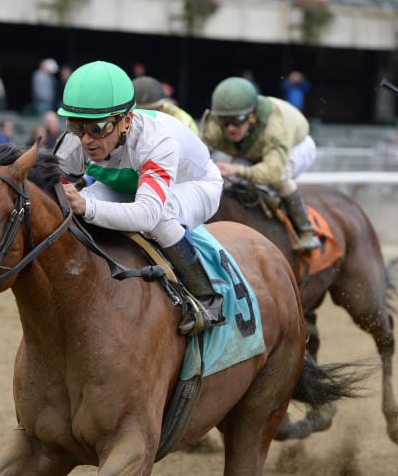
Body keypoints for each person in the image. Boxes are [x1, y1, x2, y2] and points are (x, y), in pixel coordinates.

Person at [55, 60, 225, 335]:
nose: (86, 140)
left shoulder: (157, 141)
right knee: (80, 201)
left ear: (127, 120)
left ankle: (206, 299)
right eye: (77, 125)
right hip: (131, 182)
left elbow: (147, 214)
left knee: (159, 217)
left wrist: (86, 206)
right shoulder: (75, 140)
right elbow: (52, 190)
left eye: (99, 128)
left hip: (194, 184)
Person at [201, 76, 322, 253]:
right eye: (224, 122)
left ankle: (305, 230)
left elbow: (272, 171)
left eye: (236, 121)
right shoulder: (216, 125)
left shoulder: (274, 128)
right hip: (253, 149)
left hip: (297, 145)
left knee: (279, 178)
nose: (230, 129)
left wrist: (236, 170)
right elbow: (199, 152)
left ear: (251, 116)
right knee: (238, 176)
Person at [132, 75, 199, 136]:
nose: (144, 117)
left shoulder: (183, 121)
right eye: (138, 113)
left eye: (150, 111)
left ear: (161, 108)